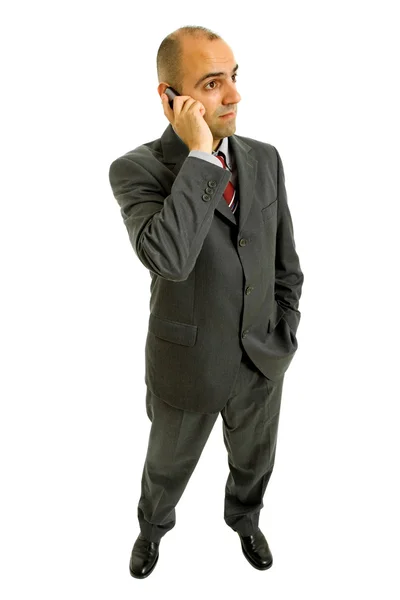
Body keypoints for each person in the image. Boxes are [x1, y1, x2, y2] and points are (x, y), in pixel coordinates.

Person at [108, 25, 304, 579]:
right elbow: (167, 256)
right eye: (213, 83)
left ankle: (245, 518)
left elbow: (286, 260)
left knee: (254, 460)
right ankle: (151, 530)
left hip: (261, 359)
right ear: (171, 99)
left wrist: (284, 328)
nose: (235, 95)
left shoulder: (265, 160)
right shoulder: (136, 170)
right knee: (165, 468)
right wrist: (199, 157)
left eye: (234, 77)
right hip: (186, 366)